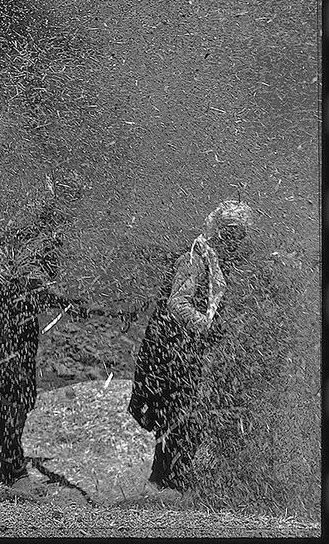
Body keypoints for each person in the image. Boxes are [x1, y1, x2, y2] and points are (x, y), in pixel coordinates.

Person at [0, 175, 87, 490]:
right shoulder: (35, 230)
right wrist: (61, 296)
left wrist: (64, 301)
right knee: (14, 387)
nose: (70, 213)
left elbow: (32, 282)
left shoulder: (41, 230)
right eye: (69, 200)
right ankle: (14, 468)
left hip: (12, 311)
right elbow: (22, 278)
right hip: (3, 311)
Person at [128, 198, 253, 494]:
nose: (234, 240)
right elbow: (177, 304)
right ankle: (172, 482)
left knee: (183, 415)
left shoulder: (219, 263)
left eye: (239, 234)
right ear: (219, 231)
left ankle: (161, 481)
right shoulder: (195, 259)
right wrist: (208, 327)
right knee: (182, 417)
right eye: (230, 233)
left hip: (188, 350)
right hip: (170, 349)